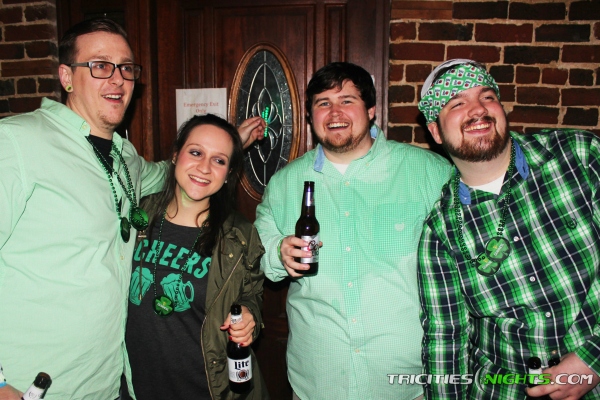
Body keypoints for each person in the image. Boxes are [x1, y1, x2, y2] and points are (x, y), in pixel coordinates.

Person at [0, 17, 266, 400]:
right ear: (66, 76)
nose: (118, 79)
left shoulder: (126, 160)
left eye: (126, 68)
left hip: (111, 382)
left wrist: (228, 145)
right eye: (100, 65)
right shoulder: (18, 142)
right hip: (29, 384)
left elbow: (181, 172)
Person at [254, 62, 452, 399]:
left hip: (405, 381)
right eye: (323, 103)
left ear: (371, 110)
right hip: (318, 378)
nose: (335, 112)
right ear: (310, 116)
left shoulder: (429, 172)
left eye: (347, 100)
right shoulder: (285, 183)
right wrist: (277, 253)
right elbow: (256, 254)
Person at [417, 58, 600, 399]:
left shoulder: (578, 156)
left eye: (487, 97)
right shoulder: (440, 230)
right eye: (457, 103)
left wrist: (594, 357)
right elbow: (445, 340)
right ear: (436, 131)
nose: (478, 110)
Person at [122, 114, 268, 399]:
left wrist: (249, 315)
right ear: (175, 155)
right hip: (135, 387)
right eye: (196, 152)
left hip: (207, 388)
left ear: (228, 173)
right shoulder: (138, 214)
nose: (204, 167)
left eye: (219, 160)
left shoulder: (240, 235)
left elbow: (252, 295)